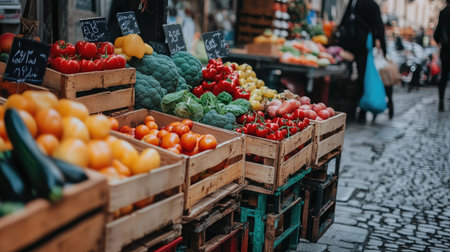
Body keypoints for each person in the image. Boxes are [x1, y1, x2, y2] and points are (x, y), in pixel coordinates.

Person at [339, 0, 386, 123]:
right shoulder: (373, 5)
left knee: (349, 76)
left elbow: (344, 21)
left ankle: (351, 107)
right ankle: (361, 111)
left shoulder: (354, 2)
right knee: (363, 78)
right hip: (365, 46)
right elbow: (379, 27)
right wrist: (383, 49)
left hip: (351, 44)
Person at [433, 0, 450, 112]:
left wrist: (439, 40)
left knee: (443, 76)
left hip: (447, 48)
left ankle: (441, 101)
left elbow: (437, 34)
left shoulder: (444, 11)